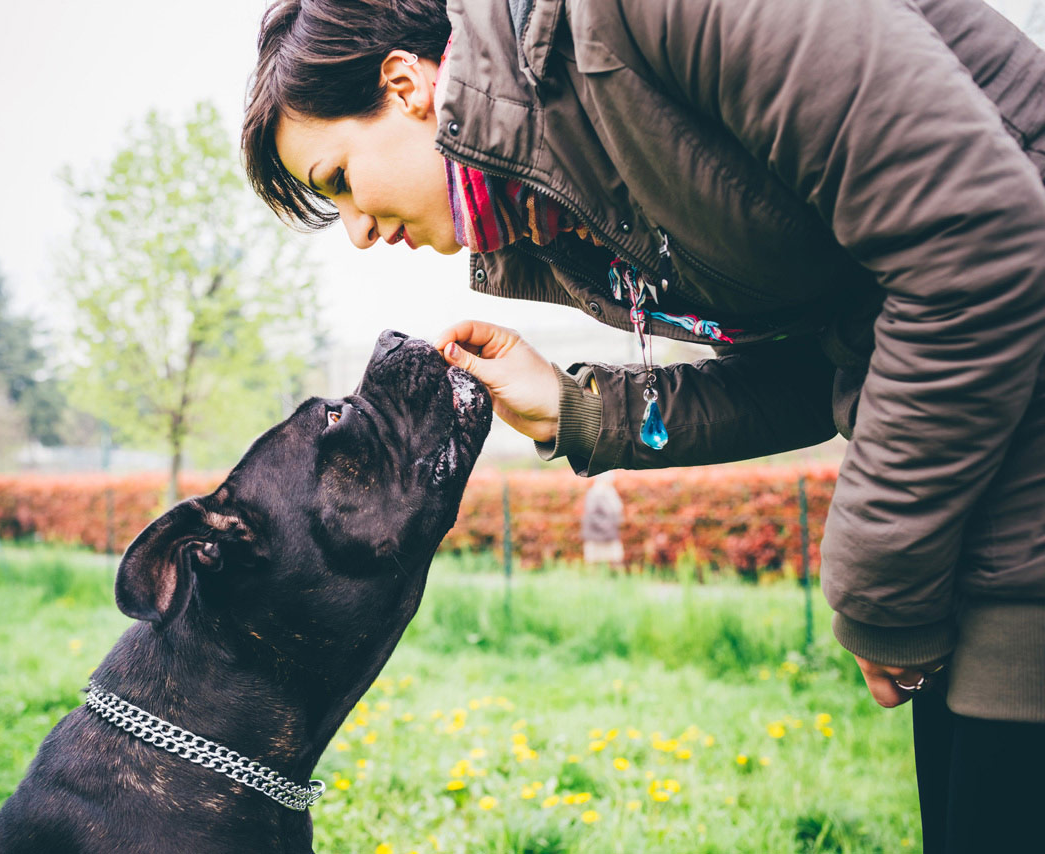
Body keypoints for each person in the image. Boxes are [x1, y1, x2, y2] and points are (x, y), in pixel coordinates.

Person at [241, 0, 1045, 849]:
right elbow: (845, 351)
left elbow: (977, 247)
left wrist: (878, 574)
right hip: (988, 462)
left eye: (338, 181)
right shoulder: (562, 207)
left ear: (405, 86)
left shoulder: (627, 20)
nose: (359, 233)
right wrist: (578, 409)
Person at [581, 470, 625, 573]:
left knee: (616, 558)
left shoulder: (610, 492)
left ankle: (614, 582)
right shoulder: (595, 493)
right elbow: (591, 515)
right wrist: (608, 525)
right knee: (594, 562)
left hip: (610, 534)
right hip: (597, 535)